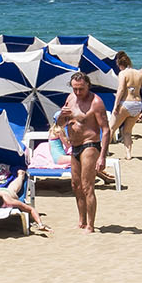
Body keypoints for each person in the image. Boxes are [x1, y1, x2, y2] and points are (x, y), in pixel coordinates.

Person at [54, 71, 107, 232]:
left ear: (88, 86)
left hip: (90, 144)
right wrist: (61, 116)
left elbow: (106, 130)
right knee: (75, 185)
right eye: (75, 88)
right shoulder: (70, 99)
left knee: (87, 186)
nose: (78, 92)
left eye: (81, 89)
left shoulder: (96, 102)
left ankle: (90, 225)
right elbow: (62, 124)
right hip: (74, 146)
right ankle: (82, 219)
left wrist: (102, 156)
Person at [0, 162, 49, 232]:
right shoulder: (8, 201)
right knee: (19, 178)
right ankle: (20, 175)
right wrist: (40, 224)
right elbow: (30, 209)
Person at [108, 52, 142, 158]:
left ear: (119, 64)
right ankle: (128, 154)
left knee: (110, 129)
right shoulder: (139, 74)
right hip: (138, 104)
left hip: (126, 103)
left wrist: (115, 105)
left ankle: (103, 152)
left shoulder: (123, 74)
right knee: (127, 132)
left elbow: (121, 89)